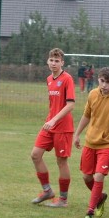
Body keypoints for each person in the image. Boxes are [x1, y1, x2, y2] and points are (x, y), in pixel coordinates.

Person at [72, 67, 109, 218]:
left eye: (108, 82)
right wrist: (77, 134)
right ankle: (100, 197)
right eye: (102, 81)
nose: (104, 85)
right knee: (86, 177)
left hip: (107, 144)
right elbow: (86, 116)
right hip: (90, 142)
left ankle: (90, 210)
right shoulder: (93, 94)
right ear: (98, 80)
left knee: (98, 176)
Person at [31, 48, 75, 207]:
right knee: (35, 155)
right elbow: (53, 105)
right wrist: (50, 119)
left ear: (62, 62)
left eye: (57, 61)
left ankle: (63, 200)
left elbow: (70, 105)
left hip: (63, 127)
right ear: (47, 61)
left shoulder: (67, 79)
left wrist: (54, 120)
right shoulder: (49, 79)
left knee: (61, 162)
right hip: (49, 125)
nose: (54, 63)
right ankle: (47, 191)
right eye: (51, 60)